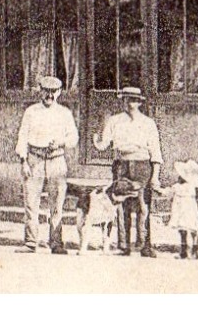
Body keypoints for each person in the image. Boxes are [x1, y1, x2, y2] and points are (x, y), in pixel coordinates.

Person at [92, 86, 163, 257]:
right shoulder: (115, 121)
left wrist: (155, 176)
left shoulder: (148, 123)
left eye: (134, 100)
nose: (130, 103)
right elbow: (104, 144)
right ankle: (124, 245)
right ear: (122, 101)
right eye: (127, 99)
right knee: (121, 205)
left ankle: (145, 245)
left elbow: (156, 151)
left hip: (142, 165)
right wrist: (96, 141)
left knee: (143, 206)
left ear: (140, 102)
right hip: (121, 164)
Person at [14, 75, 78, 254]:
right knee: (31, 203)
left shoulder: (65, 113)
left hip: (56, 160)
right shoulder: (31, 112)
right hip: (34, 159)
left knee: (57, 204)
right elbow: (22, 137)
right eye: (46, 91)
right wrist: (24, 161)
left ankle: (56, 243)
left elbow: (73, 138)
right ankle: (30, 242)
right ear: (40, 91)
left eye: (53, 92)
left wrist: (60, 142)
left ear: (59, 92)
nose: (49, 95)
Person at [167, 160, 198, 259]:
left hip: (181, 211)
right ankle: (195, 251)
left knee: (183, 232)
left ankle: (184, 251)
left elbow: (169, 194)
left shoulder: (178, 187)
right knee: (193, 230)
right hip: (190, 211)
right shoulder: (193, 188)